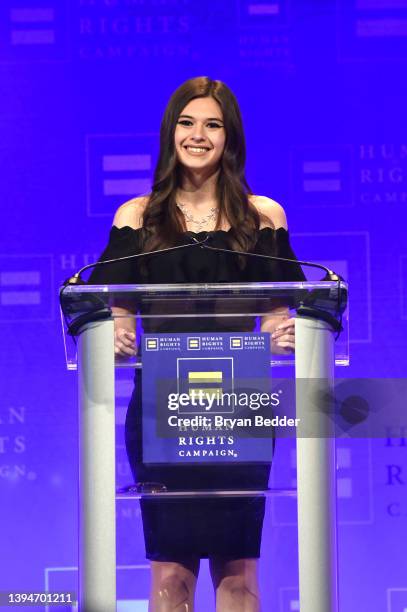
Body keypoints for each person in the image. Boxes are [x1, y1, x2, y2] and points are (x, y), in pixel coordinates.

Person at [89, 77, 305, 611]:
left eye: (212, 124)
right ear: (171, 133)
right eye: (187, 123)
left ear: (230, 137)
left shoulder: (263, 216)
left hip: (238, 406)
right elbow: (117, 310)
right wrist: (114, 332)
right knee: (170, 576)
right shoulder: (137, 216)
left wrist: (288, 335)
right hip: (163, 408)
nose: (198, 135)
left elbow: (281, 317)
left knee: (239, 577)